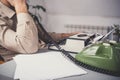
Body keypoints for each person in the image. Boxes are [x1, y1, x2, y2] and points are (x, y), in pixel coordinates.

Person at [0, 0, 77, 62]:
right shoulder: (20, 8)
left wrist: (66, 35)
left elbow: (42, 35)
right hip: (19, 63)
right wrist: (20, 6)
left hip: (42, 53)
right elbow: (28, 46)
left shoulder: (16, 8)